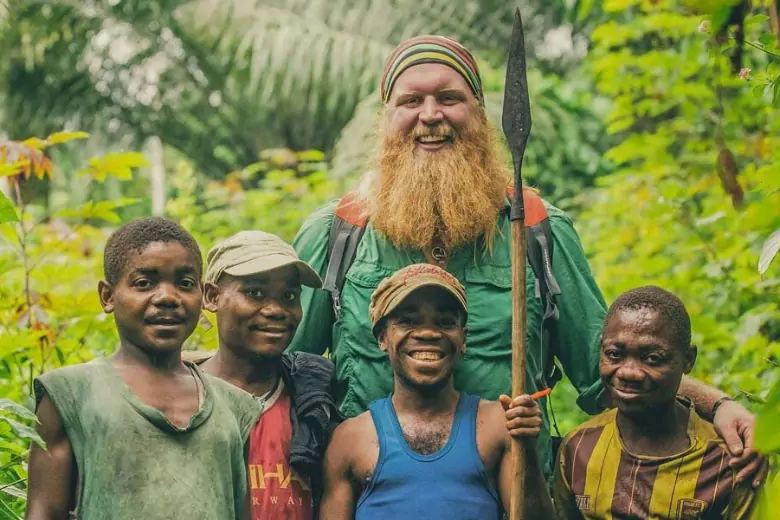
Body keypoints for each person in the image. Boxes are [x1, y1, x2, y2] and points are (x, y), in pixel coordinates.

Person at [289, 34, 765, 484]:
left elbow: (611, 370)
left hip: (512, 495)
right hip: (370, 496)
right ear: (386, 118)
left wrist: (717, 405)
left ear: (479, 114)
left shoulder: (537, 229)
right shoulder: (339, 235)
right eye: (411, 101)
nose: (430, 115)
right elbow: (280, 373)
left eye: (450, 98)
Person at [25, 217, 262, 520]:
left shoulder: (233, 406)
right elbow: (44, 512)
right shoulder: (71, 395)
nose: (167, 297)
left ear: (203, 295)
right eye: (144, 283)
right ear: (108, 296)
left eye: (185, 283)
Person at [319, 263, 554, 519]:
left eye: (445, 322)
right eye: (408, 321)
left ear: (463, 339)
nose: (429, 333)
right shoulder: (350, 438)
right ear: (382, 338)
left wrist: (527, 449)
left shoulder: (499, 423)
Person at [549, 286, 756, 519]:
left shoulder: (725, 461)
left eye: (652, 359)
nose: (629, 372)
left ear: (688, 360)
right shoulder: (579, 448)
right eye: (615, 354)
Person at [187, 230, 342, 519]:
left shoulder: (313, 404)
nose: (276, 310)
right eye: (254, 293)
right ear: (211, 296)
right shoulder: (182, 400)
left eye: (289, 296)